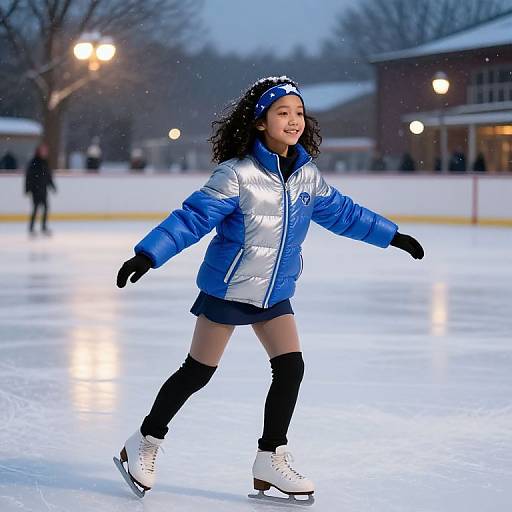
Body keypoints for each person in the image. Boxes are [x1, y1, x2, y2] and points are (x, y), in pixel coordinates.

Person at [113, 76, 425, 502]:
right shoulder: (236, 175)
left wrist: (392, 236)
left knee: (291, 366)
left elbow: (344, 213)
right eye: (283, 113)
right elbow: (191, 219)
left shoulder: (306, 176)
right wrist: (149, 254)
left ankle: (270, 456)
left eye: (298, 113)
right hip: (228, 289)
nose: (294, 120)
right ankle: (144, 442)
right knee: (197, 373)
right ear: (260, 122)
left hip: (275, 291)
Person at [25, 143, 56, 236]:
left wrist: (52, 186)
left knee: (46, 208)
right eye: (43, 151)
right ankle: (31, 228)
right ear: (39, 152)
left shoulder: (45, 162)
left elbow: (48, 176)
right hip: (35, 190)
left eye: (45, 151)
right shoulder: (34, 162)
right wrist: (27, 189)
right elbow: (29, 177)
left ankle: (43, 227)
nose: (45, 152)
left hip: (43, 189)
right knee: (35, 209)